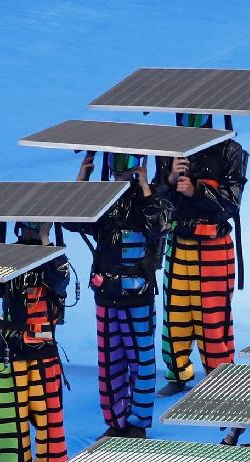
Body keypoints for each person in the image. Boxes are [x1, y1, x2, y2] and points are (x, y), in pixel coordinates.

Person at [74, 151, 168, 437]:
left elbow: (158, 226)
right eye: (115, 161)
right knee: (109, 360)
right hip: (106, 290)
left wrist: (145, 188)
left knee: (141, 358)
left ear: (140, 163)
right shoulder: (101, 198)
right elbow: (73, 221)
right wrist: (82, 179)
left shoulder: (154, 197)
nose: (120, 169)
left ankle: (138, 421)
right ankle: (115, 421)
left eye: (127, 162)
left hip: (137, 292)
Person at [155, 117, 247, 395]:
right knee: (175, 314)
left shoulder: (230, 151)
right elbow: (155, 204)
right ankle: (177, 373)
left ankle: (219, 378)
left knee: (213, 316)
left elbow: (231, 203)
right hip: (178, 241)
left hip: (213, 245)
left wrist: (197, 191)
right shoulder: (169, 151)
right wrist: (169, 181)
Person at [0, 222, 72, 462]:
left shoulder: (54, 255)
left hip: (43, 352)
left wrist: (46, 240)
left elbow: (60, 283)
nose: (32, 225)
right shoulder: (7, 255)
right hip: (9, 351)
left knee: (49, 421)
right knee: (10, 422)